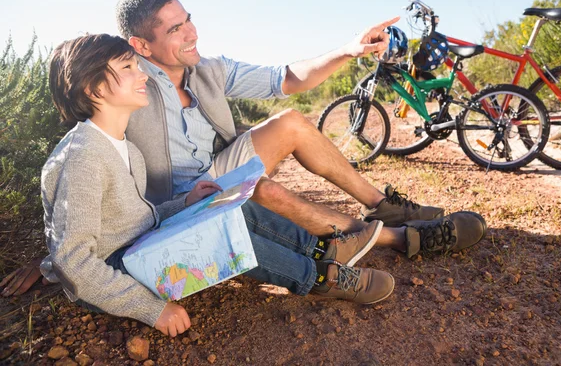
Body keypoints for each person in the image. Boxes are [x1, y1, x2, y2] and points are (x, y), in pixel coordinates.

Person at [0, 0, 487, 298]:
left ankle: (386, 208)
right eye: (174, 29)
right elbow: (82, 145)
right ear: (140, 47)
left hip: (213, 173)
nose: (191, 32)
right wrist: (55, 255)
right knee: (264, 193)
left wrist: (347, 49)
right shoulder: (130, 82)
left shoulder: (207, 68)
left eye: (187, 18)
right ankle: (399, 241)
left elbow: (287, 78)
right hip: (174, 200)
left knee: (293, 121)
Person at [35, 33, 396, 337]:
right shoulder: (83, 155)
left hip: (137, 248)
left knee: (229, 204)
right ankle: (318, 278)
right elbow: (75, 262)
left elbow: (132, 218)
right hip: (113, 274)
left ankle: (321, 251)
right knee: (218, 238)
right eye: (128, 67)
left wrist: (186, 203)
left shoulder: (126, 147)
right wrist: (152, 309)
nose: (141, 73)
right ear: (93, 86)